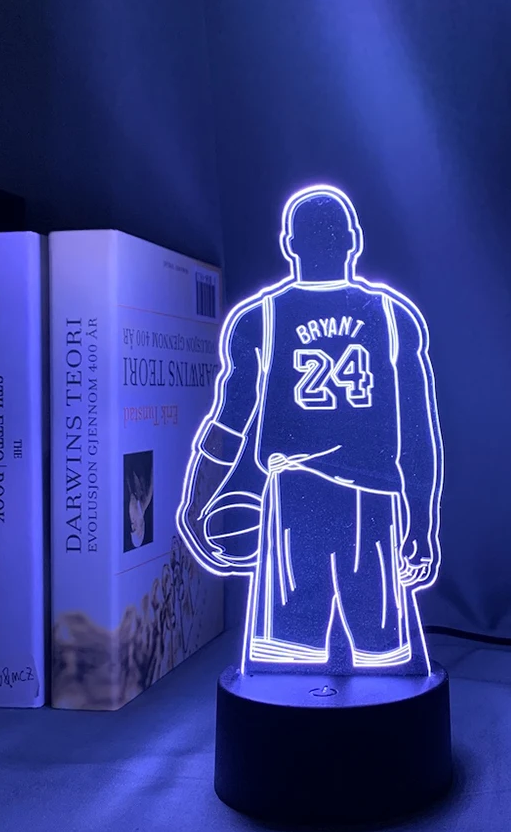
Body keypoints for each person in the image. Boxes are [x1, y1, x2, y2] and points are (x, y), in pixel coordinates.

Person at [177, 185, 443, 675]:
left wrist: (195, 504)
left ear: (289, 244)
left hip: (293, 497)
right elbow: (419, 434)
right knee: (386, 666)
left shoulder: (260, 318)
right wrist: (423, 525)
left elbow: (228, 425)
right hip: (374, 501)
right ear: (353, 240)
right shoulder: (393, 316)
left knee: (286, 665)